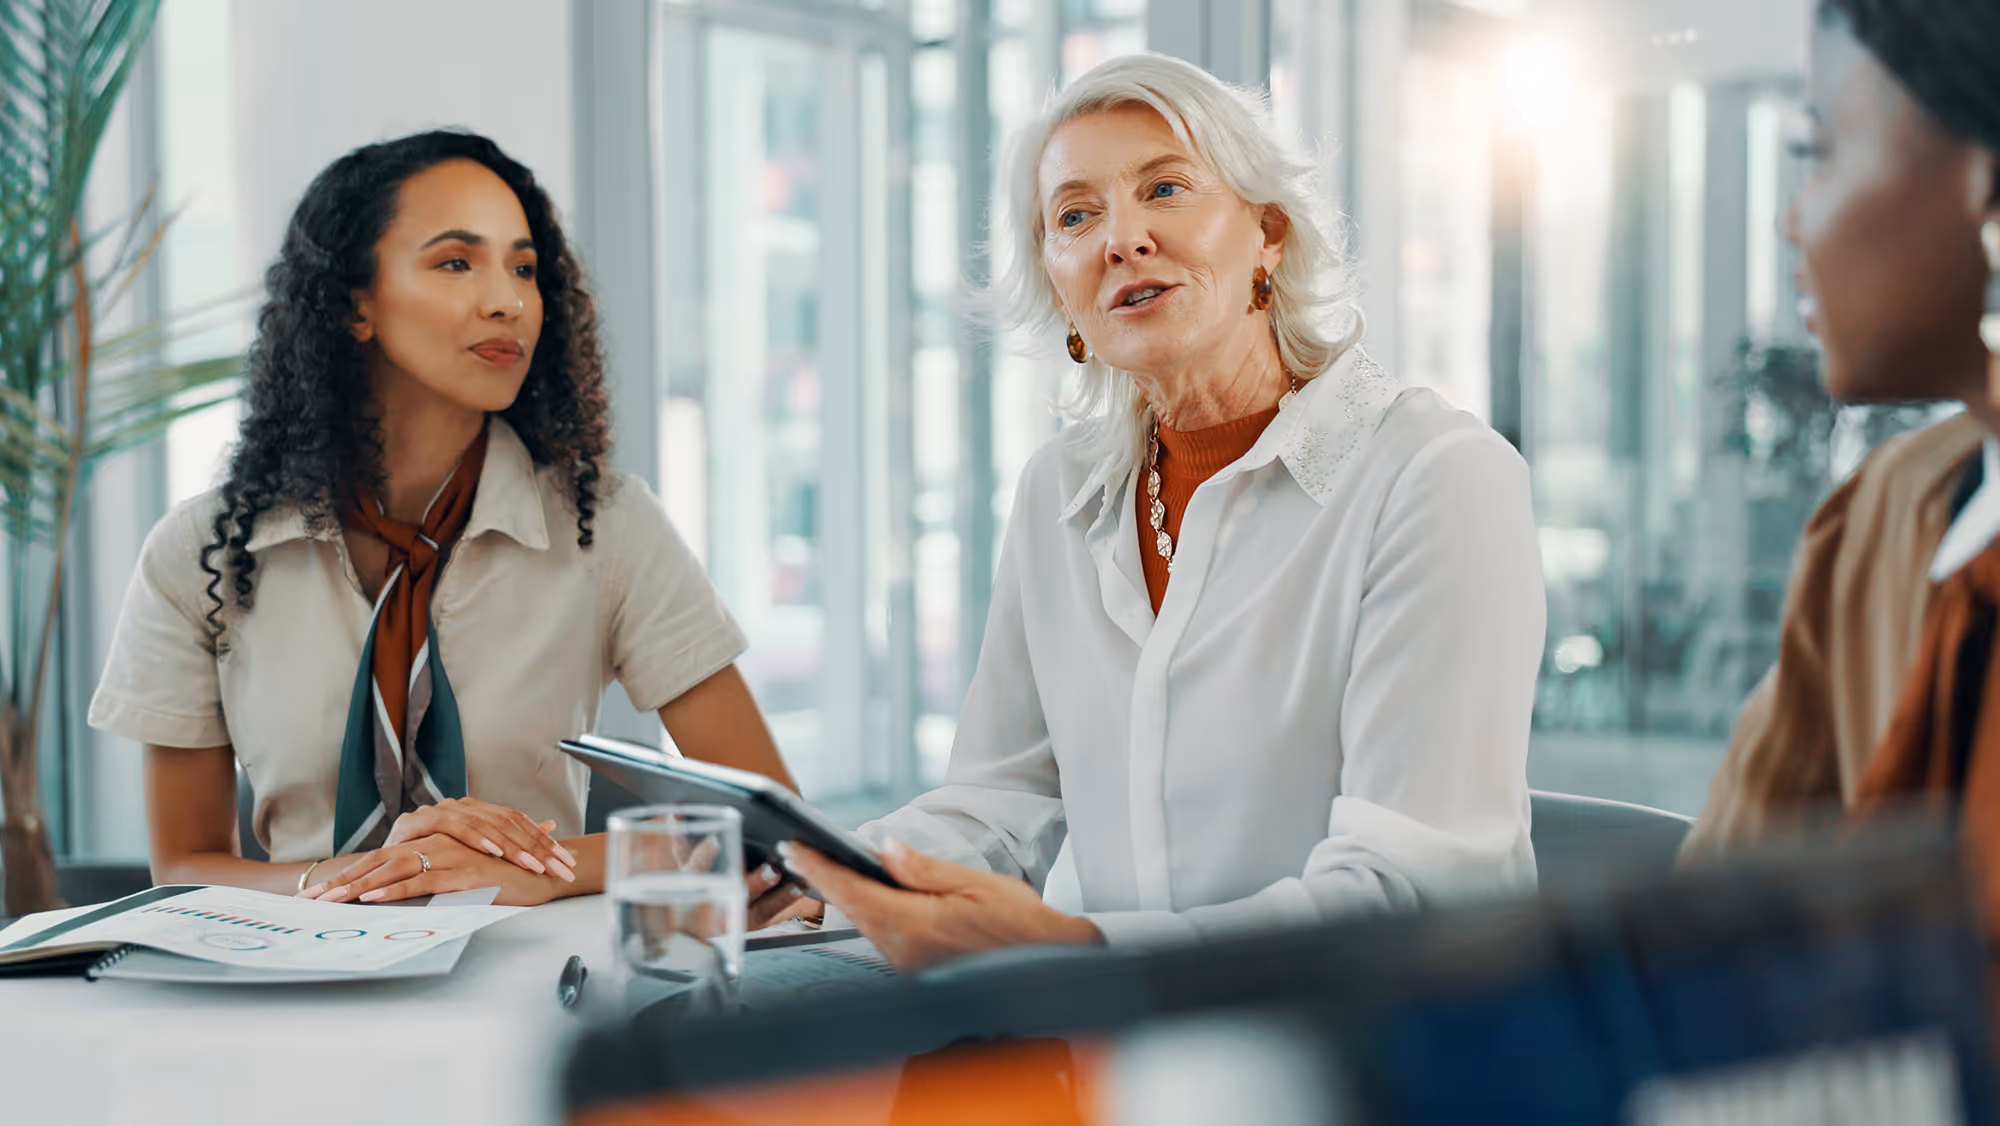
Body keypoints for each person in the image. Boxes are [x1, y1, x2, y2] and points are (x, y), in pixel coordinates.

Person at [780, 53, 1546, 972]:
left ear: (1267, 233)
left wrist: (1074, 948)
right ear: (1061, 288)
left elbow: (1408, 897)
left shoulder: (1438, 478)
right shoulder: (1054, 494)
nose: (1122, 239)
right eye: (1075, 216)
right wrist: (817, 874)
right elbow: (997, 802)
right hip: (1131, 1070)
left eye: (1166, 188)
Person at [89, 131, 802, 915]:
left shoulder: (607, 525)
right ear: (355, 303)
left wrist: (541, 863)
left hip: (546, 996)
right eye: (456, 262)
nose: (507, 300)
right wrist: (346, 881)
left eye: (524, 268)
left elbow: (771, 827)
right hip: (291, 992)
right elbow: (185, 866)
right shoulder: (201, 554)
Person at [1684, 0, 2000, 871]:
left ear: (1988, 185)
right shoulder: (1877, 527)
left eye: (1819, 153)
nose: (1793, 220)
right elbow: (1725, 937)